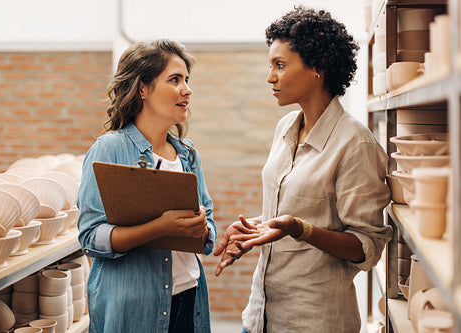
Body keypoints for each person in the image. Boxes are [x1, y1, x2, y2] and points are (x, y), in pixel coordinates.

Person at [214, 6, 392, 333]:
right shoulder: (285, 128)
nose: (270, 77)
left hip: (313, 320)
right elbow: (293, 210)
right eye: (270, 66)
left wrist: (300, 229)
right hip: (260, 316)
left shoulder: (355, 143)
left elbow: (367, 247)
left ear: (318, 67)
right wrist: (255, 226)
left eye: (280, 65)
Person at [77, 39, 216, 333]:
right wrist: (160, 228)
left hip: (189, 300)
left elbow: (209, 231)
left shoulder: (188, 154)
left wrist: (202, 228)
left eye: (186, 80)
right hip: (134, 311)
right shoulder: (109, 149)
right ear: (143, 88)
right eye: (175, 80)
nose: (187, 90)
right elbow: (91, 236)